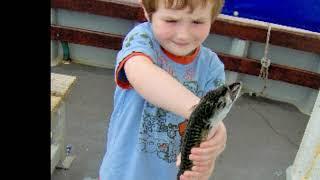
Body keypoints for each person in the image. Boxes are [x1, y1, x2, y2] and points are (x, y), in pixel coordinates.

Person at [99, 0, 227, 179]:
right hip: (123, 173)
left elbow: (205, 140)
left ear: (212, 18)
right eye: (171, 21)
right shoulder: (142, 39)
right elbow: (140, 73)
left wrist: (212, 149)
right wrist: (200, 112)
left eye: (197, 22)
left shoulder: (212, 68)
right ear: (147, 11)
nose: (183, 35)